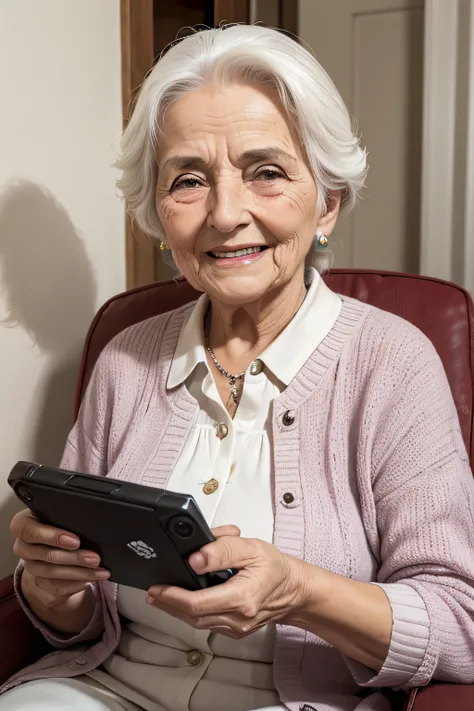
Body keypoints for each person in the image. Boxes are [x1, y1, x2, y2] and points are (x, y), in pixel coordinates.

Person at [2, 23, 474, 711]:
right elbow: (83, 622)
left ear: (328, 203)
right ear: (159, 215)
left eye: (267, 172)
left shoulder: (394, 362)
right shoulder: (124, 360)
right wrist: (54, 588)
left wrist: (302, 591)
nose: (226, 214)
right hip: (104, 688)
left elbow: (459, 619)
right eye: (189, 180)